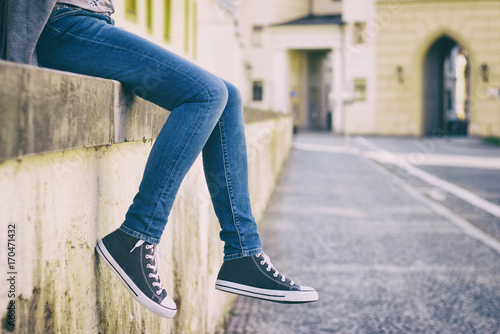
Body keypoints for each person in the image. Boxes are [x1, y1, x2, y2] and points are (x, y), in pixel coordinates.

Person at [1, 0, 318, 318]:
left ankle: (242, 253)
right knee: (207, 94)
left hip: (92, 22)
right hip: (63, 27)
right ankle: (136, 236)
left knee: (228, 94)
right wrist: (17, 59)